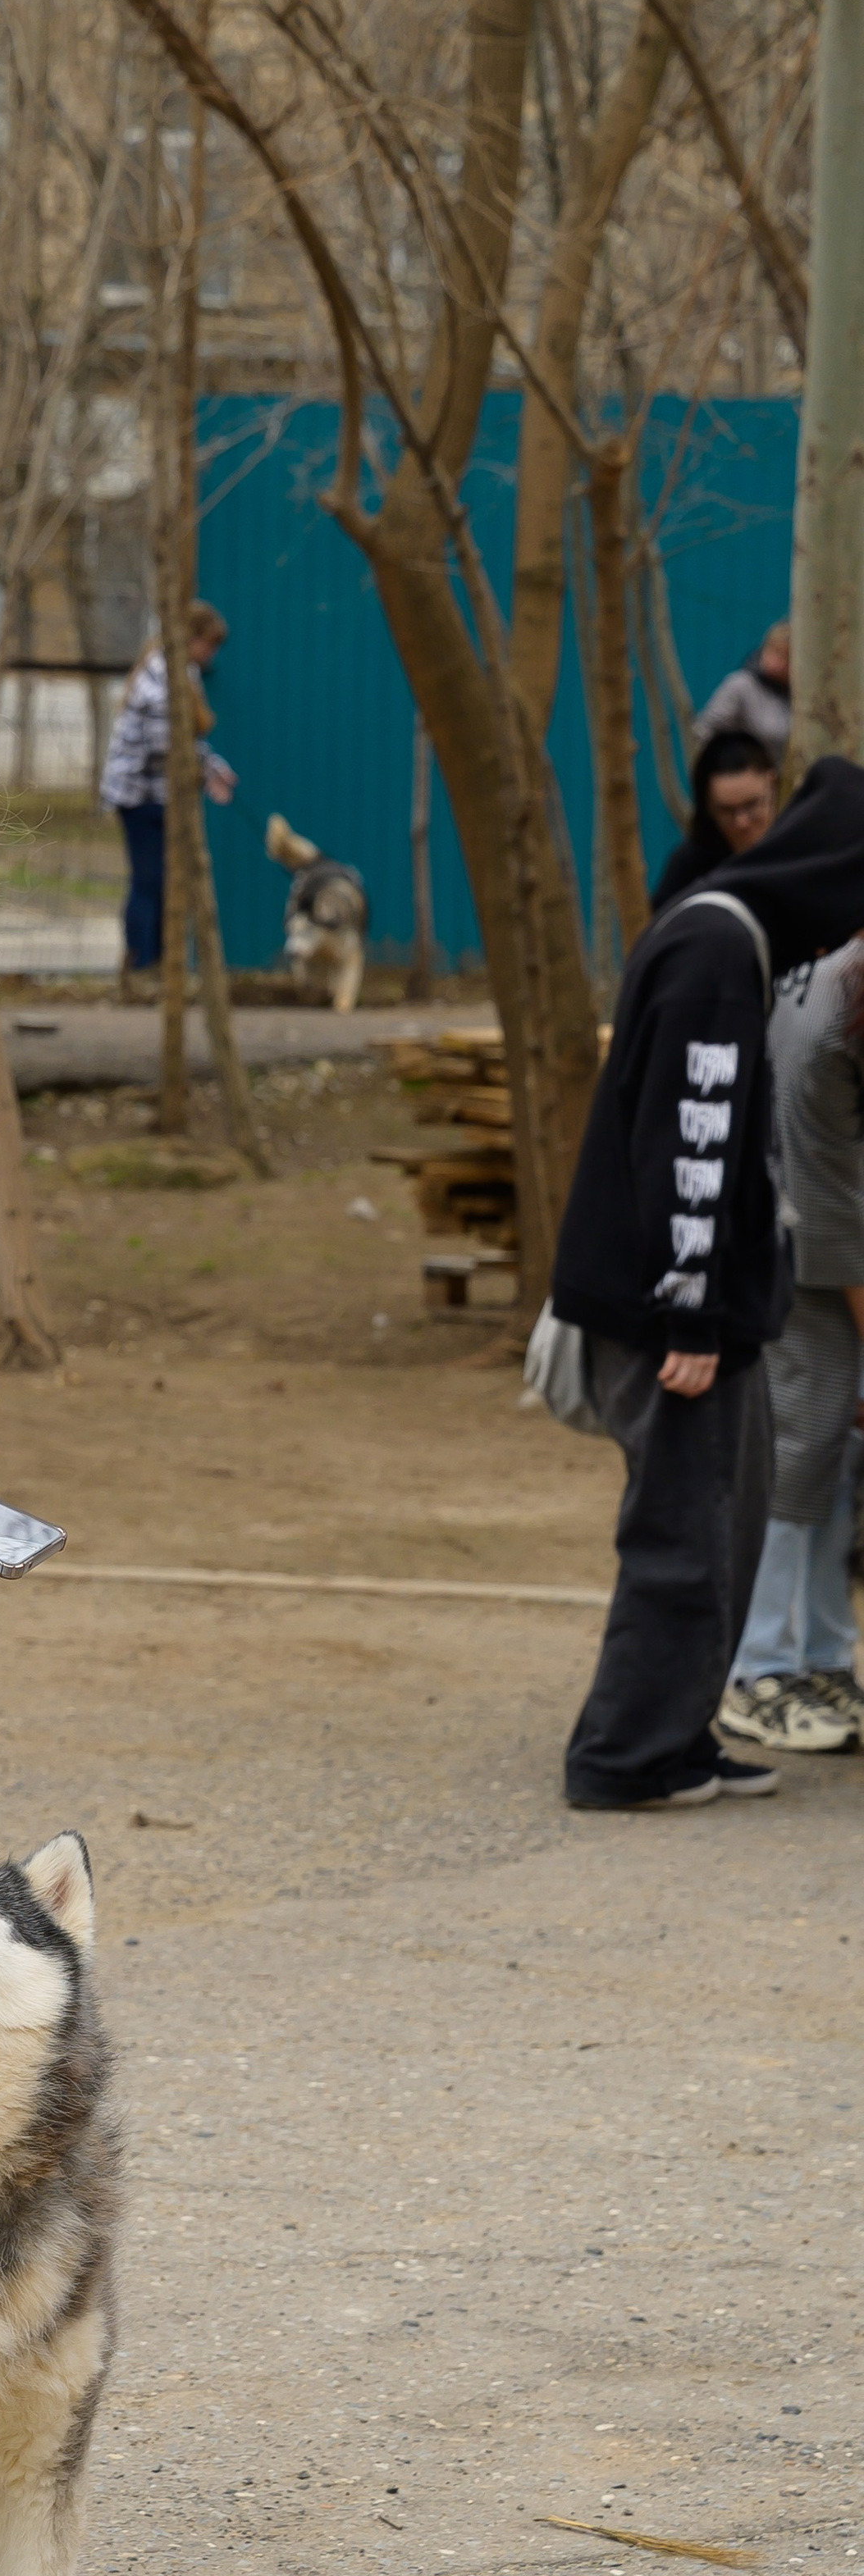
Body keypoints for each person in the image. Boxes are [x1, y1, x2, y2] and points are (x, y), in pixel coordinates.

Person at [552, 755, 864, 1812]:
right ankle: (622, 1757)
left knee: (726, 1528)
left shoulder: (726, 935)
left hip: (710, 1313)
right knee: (681, 1541)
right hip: (670, 1319)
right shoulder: (714, 949)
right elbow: (689, 1143)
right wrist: (688, 1311)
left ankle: (679, 1738)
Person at [718, 933, 864, 1754]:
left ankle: (821, 1657)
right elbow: (833, 1206)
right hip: (800, 1249)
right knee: (802, 1443)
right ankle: (756, 1666)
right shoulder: (822, 1024)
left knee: (839, 1447)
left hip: (834, 1237)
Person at [97, 602, 237, 987]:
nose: (211, 654)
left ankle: (159, 964)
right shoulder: (159, 676)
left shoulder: (184, 672)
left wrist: (213, 768)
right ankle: (142, 966)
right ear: (191, 639)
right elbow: (165, 745)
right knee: (150, 880)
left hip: (160, 795)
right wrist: (202, 772)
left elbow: (185, 740)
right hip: (138, 796)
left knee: (165, 882)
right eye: (208, 645)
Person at [650, 728, 779, 912]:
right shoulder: (689, 869)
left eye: (751, 805)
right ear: (709, 808)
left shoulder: (802, 851)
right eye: (727, 811)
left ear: (772, 784)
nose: (741, 822)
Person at [695, 620, 791, 756]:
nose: (778, 663)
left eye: (787, 658)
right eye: (775, 652)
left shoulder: (800, 699)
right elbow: (705, 731)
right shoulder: (741, 685)